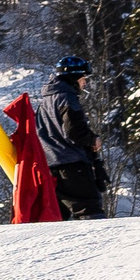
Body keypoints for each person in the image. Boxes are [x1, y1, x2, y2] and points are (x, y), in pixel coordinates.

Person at [40, 55, 107, 219]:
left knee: (58, 216)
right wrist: (93, 140)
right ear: (74, 78)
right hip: (71, 164)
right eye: (83, 78)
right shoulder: (66, 98)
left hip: (50, 165)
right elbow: (74, 130)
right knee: (89, 209)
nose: (85, 83)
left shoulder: (46, 101)